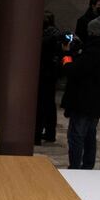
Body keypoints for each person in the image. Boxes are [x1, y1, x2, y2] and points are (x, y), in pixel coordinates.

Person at [60, 15, 100, 169]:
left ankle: (75, 167)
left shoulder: (94, 52)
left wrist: (66, 55)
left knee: (76, 135)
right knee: (90, 134)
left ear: (95, 32)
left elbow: (72, 71)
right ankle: (88, 166)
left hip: (84, 101)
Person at [35, 11, 63, 145]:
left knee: (41, 105)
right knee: (49, 104)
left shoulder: (47, 36)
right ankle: (50, 133)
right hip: (52, 73)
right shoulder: (56, 34)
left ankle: (37, 135)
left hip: (45, 73)